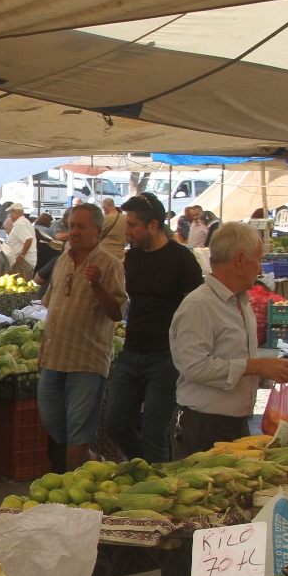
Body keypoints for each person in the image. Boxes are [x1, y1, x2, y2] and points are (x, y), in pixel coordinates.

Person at [168, 221, 288, 457]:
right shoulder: (199, 305)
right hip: (203, 427)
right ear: (239, 260)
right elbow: (194, 367)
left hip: (236, 424)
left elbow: (236, 361)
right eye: (258, 260)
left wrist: (267, 372)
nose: (260, 269)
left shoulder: (241, 302)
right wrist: (256, 366)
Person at [103, 193, 203, 465]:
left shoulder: (181, 259)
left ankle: (159, 484)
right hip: (132, 350)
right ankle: (146, 467)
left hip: (165, 356)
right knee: (115, 422)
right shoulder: (133, 257)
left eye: (133, 225)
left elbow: (197, 308)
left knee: (155, 431)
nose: (128, 232)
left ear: (154, 225)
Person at [38, 203, 126, 470]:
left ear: (97, 231)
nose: (74, 231)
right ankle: (90, 460)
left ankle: (71, 486)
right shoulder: (63, 259)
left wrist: (98, 284)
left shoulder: (109, 264)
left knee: (79, 429)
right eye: (72, 225)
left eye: (81, 226)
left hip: (87, 361)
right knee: (52, 420)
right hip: (54, 358)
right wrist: (42, 350)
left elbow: (116, 313)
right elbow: (51, 308)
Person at [1, 204, 37, 279]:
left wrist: (21, 256)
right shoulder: (23, 222)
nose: (10, 216)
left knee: (21, 285)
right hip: (23, 261)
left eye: (10, 213)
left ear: (15, 213)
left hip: (23, 262)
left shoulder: (20, 224)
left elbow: (28, 239)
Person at [97, 197, 127, 264]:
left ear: (104, 208)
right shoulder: (125, 218)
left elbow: (97, 235)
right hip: (120, 254)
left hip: (105, 254)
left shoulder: (106, 219)